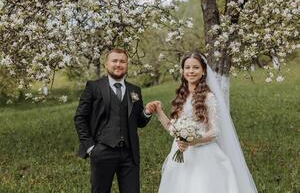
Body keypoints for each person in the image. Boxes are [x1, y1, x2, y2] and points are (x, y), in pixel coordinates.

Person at [154, 52, 258, 193]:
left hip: (203, 155)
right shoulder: (181, 96)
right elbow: (174, 129)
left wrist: (193, 141)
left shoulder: (208, 97)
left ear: (203, 71)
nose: (191, 71)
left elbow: (214, 131)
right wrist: (159, 112)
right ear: (183, 70)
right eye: (187, 67)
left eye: (195, 67)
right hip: (180, 154)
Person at [74, 48, 157, 193]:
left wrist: (147, 112)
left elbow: (139, 122)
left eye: (122, 61)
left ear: (127, 65)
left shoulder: (135, 90)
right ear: (107, 64)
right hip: (102, 151)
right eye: (114, 61)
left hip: (129, 154)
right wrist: (91, 147)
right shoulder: (94, 87)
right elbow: (80, 117)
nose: (118, 64)